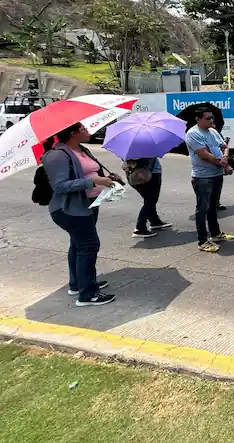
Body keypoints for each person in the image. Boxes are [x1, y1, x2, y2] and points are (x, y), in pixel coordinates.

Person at [43, 123, 118, 306]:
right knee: (89, 245)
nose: (89, 131)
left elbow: (90, 172)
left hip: (89, 204)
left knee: (78, 245)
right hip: (70, 209)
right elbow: (60, 186)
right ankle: (87, 294)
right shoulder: (57, 155)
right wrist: (92, 181)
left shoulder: (81, 149)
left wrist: (107, 178)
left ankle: (78, 284)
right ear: (73, 133)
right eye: (84, 129)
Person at [186, 108, 234, 253]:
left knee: (213, 206)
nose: (211, 121)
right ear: (198, 119)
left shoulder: (213, 131)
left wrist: (225, 157)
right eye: (208, 118)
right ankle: (202, 241)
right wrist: (224, 163)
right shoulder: (193, 134)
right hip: (202, 177)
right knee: (203, 208)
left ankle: (215, 233)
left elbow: (224, 146)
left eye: (212, 118)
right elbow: (203, 155)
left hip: (216, 174)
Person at [130, 156, 171, 238]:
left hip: (138, 175)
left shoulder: (132, 149)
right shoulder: (144, 148)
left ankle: (154, 221)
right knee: (150, 201)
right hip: (149, 174)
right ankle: (140, 228)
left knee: (150, 200)